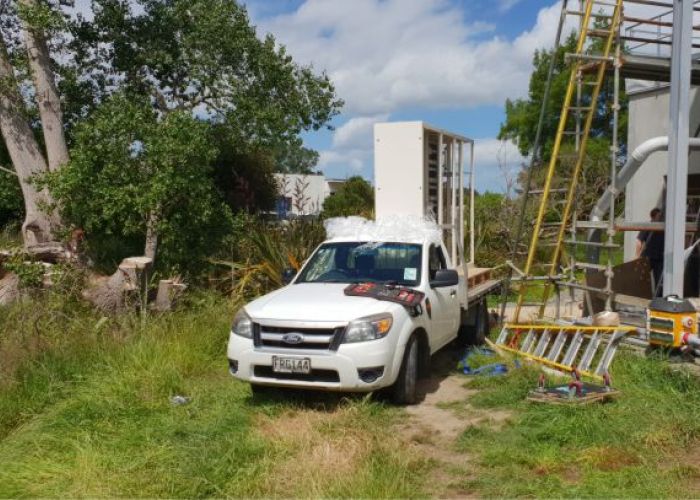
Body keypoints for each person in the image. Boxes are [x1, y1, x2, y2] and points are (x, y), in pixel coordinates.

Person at [636, 208, 664, 295]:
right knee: (643, 279)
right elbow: (639, 242)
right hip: (648, 257)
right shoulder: (648, 226)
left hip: (659, 258)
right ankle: (642, 296)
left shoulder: (663, 227)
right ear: (653, 217)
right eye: (659, 216)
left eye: (661, 216)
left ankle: (658, 299)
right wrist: (637, 256)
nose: (660, 218)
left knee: (659, 280)